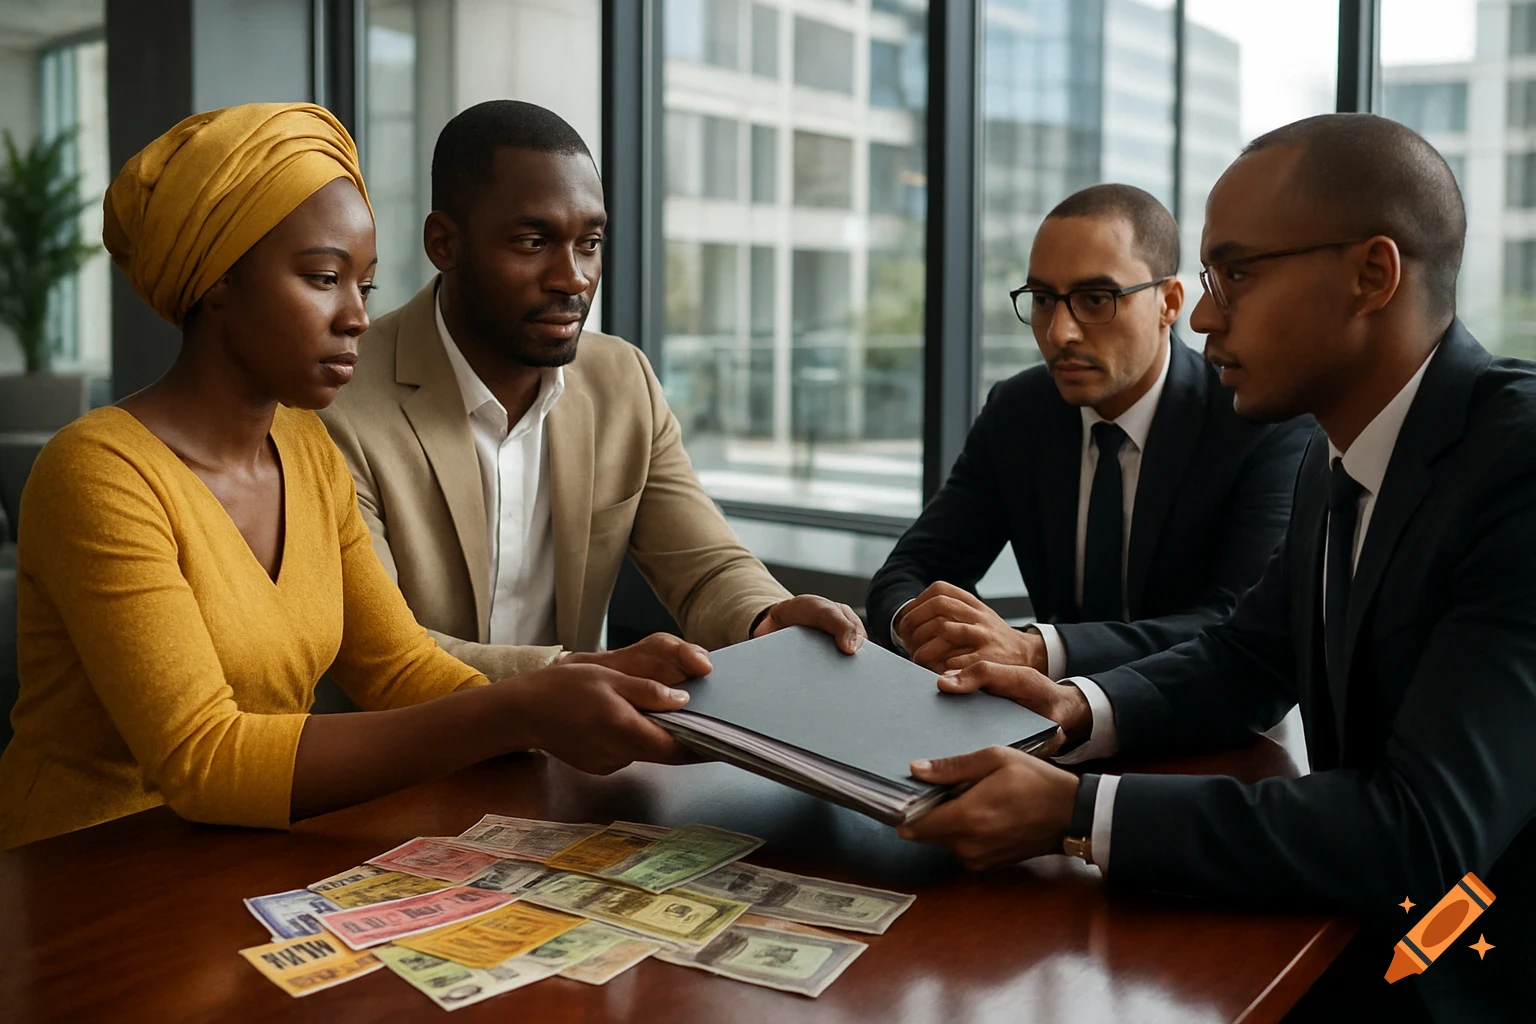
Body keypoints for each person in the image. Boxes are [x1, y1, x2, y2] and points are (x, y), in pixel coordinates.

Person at [899, 114, 1536, 1021]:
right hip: (1357, 938)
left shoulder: (1518, 468)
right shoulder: (1335, 453)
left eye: (1236, 274)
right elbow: (1247, 655)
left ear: (1373, 275)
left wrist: (1080, 811)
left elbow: (1423, 829)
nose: (1200, 315)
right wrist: (1079, 706)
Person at [0, 103, 710, 851]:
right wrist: (521, 711)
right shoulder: (98, 474)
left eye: (364, 287)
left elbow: (399, 667)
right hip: (77, 883)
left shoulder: (303, 447)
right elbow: (204, 760)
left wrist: (574, 701)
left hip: (239, 857)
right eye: (323, 278)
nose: (356, 319)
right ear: (218, 283)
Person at [317, 100, 862, 677]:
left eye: (590, 243)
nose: (573, 278)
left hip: (569, 753)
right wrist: (577, 680)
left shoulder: (621, 381)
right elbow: (383, 652)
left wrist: (766, 618)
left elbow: (704, 567)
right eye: (532, 242)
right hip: (407, 755)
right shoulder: (338, 401)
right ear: (444, 244)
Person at [867, 184, 1308, 679]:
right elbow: (909, 573)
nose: (1059, 333)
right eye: (1042, 299)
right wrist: (923, 626)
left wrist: (1038, 651)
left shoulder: (1255, 422)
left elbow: (1234, 624)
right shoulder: (1019, 410)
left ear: (1170, 302)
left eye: (1095, 299)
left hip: (1209, 734)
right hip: (1040, 724)